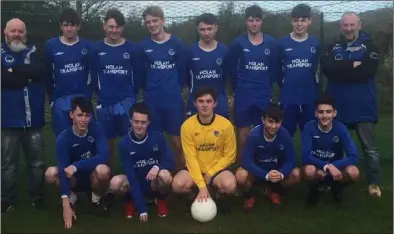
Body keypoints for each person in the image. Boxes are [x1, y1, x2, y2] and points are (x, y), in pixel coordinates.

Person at [321, 11, 382, 197]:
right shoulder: (333, 46)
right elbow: (328, 70)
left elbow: (367, 72)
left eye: (352, 25)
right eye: (345, 25)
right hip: (338, 107)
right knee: (335, 147)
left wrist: (342, 69)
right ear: (341, 27)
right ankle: (331, 181)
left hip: (363, 106)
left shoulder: (370, 45)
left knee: (369, 149)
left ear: (359, 25)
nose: (348, 28)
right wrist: (352, 65)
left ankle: (374, 183)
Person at [44, 97, 111, 229]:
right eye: (80, 115)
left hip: (92, 176)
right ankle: (71, 199)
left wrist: (76, 166)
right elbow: (63, 169)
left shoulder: (96, 128)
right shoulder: (63, 138)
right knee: (50, 173)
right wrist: (64, 203)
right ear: (71, 115)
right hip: (73, 180)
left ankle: (96, 199)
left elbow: (104, 156)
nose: (83, 120)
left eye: (87, 115)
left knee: (104, 170)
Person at [1, 18, 46, 214]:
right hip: (8, 118)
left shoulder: (34, 52)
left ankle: (37, 196)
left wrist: (16, 72)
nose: (17, 34)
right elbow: (4, 78)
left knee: (36, 162)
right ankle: (5, 198)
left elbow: (39, 71)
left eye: (20, 31)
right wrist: (25, 77)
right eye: (13, 31)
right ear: (5, 32)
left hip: (33, 118)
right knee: (8, 163)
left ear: (25, 33)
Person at [224, 5, 279, 163]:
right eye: (250, 20)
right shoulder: (238, 43)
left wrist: (266, 85)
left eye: (257, 20)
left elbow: (273, 70)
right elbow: (230, 68)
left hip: (262, 93)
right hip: (243, 94)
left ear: (261, 21)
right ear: (245, 22)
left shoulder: (270, 43)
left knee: (263, 129)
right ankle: (243, 165)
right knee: (243, 132)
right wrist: (237, 87)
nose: (254, 23)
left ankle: (262, 162)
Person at [90, 9, 144, 167]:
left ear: (123, 28)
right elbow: (93, 76)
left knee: (131, 144)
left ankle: (134, 180)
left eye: (118, 27)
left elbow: (139, 76)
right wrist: (102, 93)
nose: (114, 30)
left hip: (127, 101)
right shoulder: (96, 49)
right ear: (104, 26)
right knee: (107, 145)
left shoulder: (133, 49)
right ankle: (106, 184)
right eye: (111, 26)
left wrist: (130, 95)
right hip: (105, 103)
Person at [172, 86, 237, 214]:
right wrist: (201, 185)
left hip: (217, 170)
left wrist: (210, 173)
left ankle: (217, 199)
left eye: (208, 101)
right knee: (177, 185)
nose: (205, 105)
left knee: (229, 185)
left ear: (215, 103)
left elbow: (230, 155)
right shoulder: (187, 126)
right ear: (195, 104)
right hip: (194, 169)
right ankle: (194, 199)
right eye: (201, 101)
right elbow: (190, 157)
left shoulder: (226, 125)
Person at [139, 6, 187, 169]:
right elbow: (142, 74)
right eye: (148, 22)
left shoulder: (177, 43)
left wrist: (172, 88)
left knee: (176, 141)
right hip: (152, 101)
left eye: (155, 21)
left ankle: (181, 174)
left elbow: (182, 72)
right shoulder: (143, 45)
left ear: (163, 21)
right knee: (154, 141)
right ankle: (156, 177)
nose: (151, 25)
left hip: (172, 100)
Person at [110, 102, 174, 221]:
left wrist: (156, 167)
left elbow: (170, 162)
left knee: (165, 176)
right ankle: (129, 202)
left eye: (143, 122)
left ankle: (160, 199)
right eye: (136, 121)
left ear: (148, 122)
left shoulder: (158, 137)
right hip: (134, 182)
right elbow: (131, 177)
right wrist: (141, 209)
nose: (139, 126)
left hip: (153, 183)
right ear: (130, 121)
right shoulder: (124, 143)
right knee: (115, 183)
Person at [236, 103, 301, 210]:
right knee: (241, 175)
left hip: (276, 171)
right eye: (270, 121)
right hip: (257, 172)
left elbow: (291, 159)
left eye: (277, 122)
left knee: (296, 174)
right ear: (263, 120)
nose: (273, 126)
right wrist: (265, 175)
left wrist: (281, 174)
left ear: (281, 122)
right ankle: (250, 195)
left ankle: (273, 190)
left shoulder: (285, 135)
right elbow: (246, 161)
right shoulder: (254, 135)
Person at [302, 95, 359, 206]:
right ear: (316, 113)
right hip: (317, 167)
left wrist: (333, 166)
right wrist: (326, 166)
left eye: (328, 112)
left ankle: (337, 186)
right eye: (321, 112)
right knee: (309, 171)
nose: (324, 115)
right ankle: (315, 189)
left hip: (336, 167)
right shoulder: (309, 127)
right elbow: (305, 156)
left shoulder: (341, 128)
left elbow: (353, 155)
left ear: (334, 113)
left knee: (354, 172)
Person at [44, 8, 94, 136]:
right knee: (63, 139)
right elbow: (48, 74)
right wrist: (52, 98)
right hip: (60, 99)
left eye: (72, 25)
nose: (69, 29)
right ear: (61, 26)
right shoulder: (51, 45)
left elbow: (92, 72)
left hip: (82, 98)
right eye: (66, 25)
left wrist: (88, 94)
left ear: (78, 26)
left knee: (85, 139)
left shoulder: (87, 46)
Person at [277, 4, 320, 137]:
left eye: (303, 20)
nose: (299, 24)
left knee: (311, 134)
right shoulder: (282, 43)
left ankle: (310, 158)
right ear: (292, 21)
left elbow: (317, 69)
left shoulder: (315, 43)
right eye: (296, 20)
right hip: (288, 98)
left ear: (309, 21)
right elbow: (277, 71)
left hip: (309, 98)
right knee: (285, 134)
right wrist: (285, 85)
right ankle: (286, 158)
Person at [185, 13, 229, 119]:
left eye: (209, 29)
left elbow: (227, 75)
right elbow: (186, 77)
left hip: (219, 100)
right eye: (202, 29)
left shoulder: (225, 51)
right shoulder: (189, 51)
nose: (206, 33)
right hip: (196, 101)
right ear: (197, 29)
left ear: (216, 28)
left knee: (219, 132)